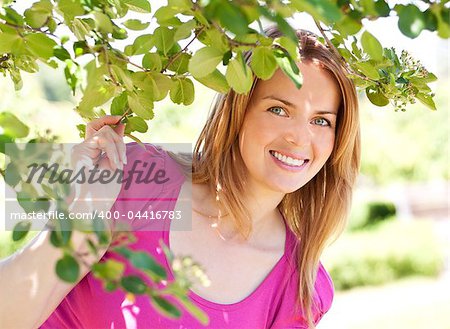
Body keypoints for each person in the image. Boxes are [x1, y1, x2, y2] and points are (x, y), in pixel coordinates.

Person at [0, 27, 360, 328]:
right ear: (237, 112)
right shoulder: (136, 178)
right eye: (279, 109)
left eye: (321, 120)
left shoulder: (299, 285)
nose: (300, 137)